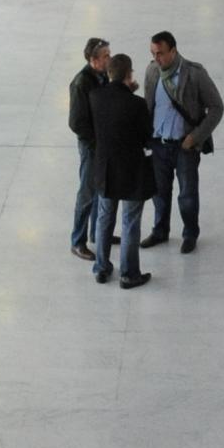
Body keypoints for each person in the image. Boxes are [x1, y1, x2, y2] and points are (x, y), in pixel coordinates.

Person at [141, 30, 224, 255]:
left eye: (160, 54)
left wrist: (195, 137)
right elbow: (148, 107)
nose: (156, 58)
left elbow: (216, 107)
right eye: (153, 53)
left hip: (184, 146)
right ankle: (160, 231)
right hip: (159, 144)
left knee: (187, 194)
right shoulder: (151, 71)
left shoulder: (195, 74)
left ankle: (190, 234)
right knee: (159, 192)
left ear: (174, 51)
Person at [89, 53, 153, 289]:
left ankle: (101, 267)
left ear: (108, 73)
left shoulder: (95, 97)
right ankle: (129, 274)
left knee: (105, 219)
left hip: (105, 170)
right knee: (130, 223)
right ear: (129, 75)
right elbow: (146, 136)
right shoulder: (136, 104)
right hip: (131, 172)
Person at [68, 38, 110, 260]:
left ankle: (98, 233)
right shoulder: (81, 83)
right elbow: (76, 123)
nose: (109, 59)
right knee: (87, 192)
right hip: (91, 146)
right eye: (105, 56)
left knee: (100, 188)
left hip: (101, 144)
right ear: (93, 60)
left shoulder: (102, 77)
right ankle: (78, 241)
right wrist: (96, 142)